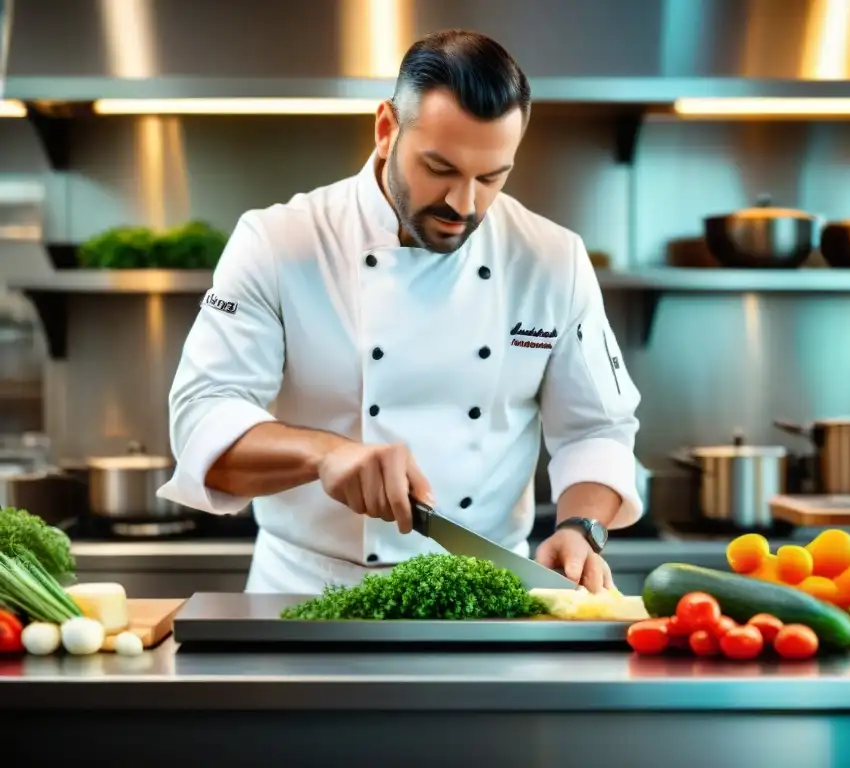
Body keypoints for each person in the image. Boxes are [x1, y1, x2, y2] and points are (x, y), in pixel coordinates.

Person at [157, 29, 642, 595]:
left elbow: (598, 428)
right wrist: (324, 454)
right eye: (440, 168)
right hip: (303, 596)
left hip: (482, 597)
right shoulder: (279, 241)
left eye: (491, 177)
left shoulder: (551, 258)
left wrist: (582, 528)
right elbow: (201, 421)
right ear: (386, 129)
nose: (464, 204)